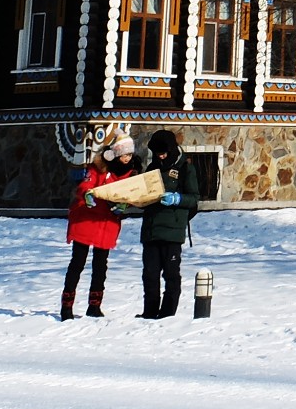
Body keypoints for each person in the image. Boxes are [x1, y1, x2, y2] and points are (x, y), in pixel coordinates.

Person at [61, 131, 136, 320]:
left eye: (130, 154)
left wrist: (125, 205)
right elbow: (86, 185)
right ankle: (67, 306)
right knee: (77, 263)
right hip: (87, 219)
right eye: (125, 154)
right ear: (116, 153)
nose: (128, 158)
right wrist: (87, 195)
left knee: (100, 265)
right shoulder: (99, 168)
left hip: (107, 222)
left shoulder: (130, 173)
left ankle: (94, 305)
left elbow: (131, 194)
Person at [138, 128, 199, 319]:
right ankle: (149, 312)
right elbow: (144, 197)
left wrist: (177, 199)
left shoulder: (185, 168)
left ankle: (167, 314)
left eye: (163, 152)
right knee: (150, 274)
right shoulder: (151, 169)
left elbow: (194, 198)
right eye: (157, 153)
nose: (160, 156)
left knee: (171, 275)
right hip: (151, 229)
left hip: (173, 231)